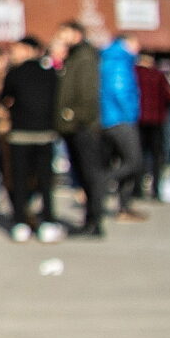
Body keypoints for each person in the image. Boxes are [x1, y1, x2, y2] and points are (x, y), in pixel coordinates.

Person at [0, 37, 63, 243]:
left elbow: (4, 97)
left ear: (29, 50)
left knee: (19, 179)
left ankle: (20, 223)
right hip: (45, 133)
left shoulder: (15, 73)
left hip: (20, 134)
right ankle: (48, 222)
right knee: (45, 180)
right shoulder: (50, 73)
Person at [52, 22, 109, 236]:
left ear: (76, 34)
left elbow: (87, 94)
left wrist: (73, 116)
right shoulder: (75, 56)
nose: (60, 37)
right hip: (74, 126)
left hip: (82, 127)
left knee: (90, 174)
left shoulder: (84, 57)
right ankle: (90, 220)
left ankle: (94, 222)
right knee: (83, 176)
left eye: (63, 32)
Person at [99, 33, 148, 221]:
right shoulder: (119, 60)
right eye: (135, 43)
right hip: (119, 119)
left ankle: (124, 207)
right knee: (134, 162)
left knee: (127, 161)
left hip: (113, 118)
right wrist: (130, 114)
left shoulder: (112, 59)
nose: (138, 47)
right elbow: (120, 91)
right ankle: (101, 181)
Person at [135, 50, 170, 199]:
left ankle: (137, 189)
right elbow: (169, 96)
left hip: (138, 120)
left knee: (138, 155)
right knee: (157, 156)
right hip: (157, 120)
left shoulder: (134, 74)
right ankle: (156, 188)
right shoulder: (158, 75)